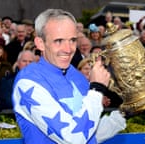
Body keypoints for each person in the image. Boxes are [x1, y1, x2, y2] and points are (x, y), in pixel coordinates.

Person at [12, 9, 126, 144]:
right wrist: (96, 89)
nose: (68, 49)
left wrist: (124, 114)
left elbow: (90, 132)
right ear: (40, 43)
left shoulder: (75, 75)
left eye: (72, 40)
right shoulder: (28, 82)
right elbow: (73, 137)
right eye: (58, 41)